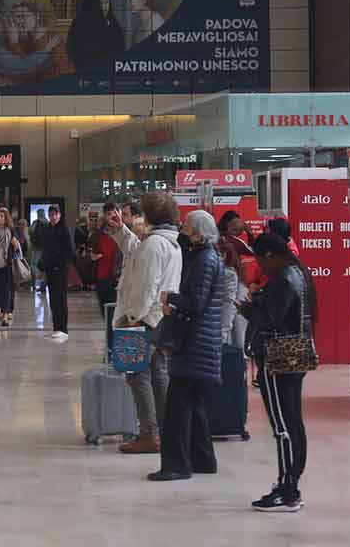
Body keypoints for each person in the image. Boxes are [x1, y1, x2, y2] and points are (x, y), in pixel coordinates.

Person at [237, 233, 316, 512]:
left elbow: (270, 320)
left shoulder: (284, 279)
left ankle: (287, 488)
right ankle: (291, 482)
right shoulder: (302, 273)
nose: (260, 266)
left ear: (270, 254)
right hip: (299, 349)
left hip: (278, 354)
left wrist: (246, 308)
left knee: (282, 425)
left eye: (260, 259)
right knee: (294, 421)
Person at [148, 210, 224, 481]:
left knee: (177, 409)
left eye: (188, 228)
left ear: (200, 233)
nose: (183, 231)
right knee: (195, 403)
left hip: (195, 343)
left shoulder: (204, 260)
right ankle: (203, 459)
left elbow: (197, 303)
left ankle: (176, 465)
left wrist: (172, 299)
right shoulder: (208, 256)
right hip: (203, 342)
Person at [108, 192, 183, 454]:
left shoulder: (154, 245)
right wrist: (121, 232)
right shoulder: (171, 243)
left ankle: (148, 434)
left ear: (149, 215)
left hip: (143, 319)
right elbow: (136, 251)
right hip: (161, 318)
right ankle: (163, 431)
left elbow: (144, 287)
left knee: (137, 375)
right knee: (158, 375)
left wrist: (132, 318)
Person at [37, 205, 75, 342]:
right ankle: (56, 327)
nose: (53, 216)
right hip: (50, 270)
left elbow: (69, 251)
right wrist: (42, 267)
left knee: (60, 300)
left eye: (56, 214)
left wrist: (61, 264)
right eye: (51, 214)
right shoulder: (47, 230)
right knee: (53, 300)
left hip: (60, 270)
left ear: (59, 215)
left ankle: (63, 329)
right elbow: (46, 251)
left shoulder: (64, 230)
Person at [67, 0, 126, 71]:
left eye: (106, 2)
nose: (104, 7)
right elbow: (75, 52)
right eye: (100, 3)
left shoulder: (112, 23)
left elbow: (120, 49)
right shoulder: (79, 23)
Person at [93, 201, 123, 319]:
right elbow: (91, 249)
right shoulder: (99, 233)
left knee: (115, 313)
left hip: (118, 277)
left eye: (116, 213)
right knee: (105, 311)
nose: (113, 216)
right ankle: (109, 336)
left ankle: (112, 336)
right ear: (105, 216)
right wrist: (92, 256)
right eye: (109, 214)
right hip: (102, 277)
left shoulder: (125, 232)